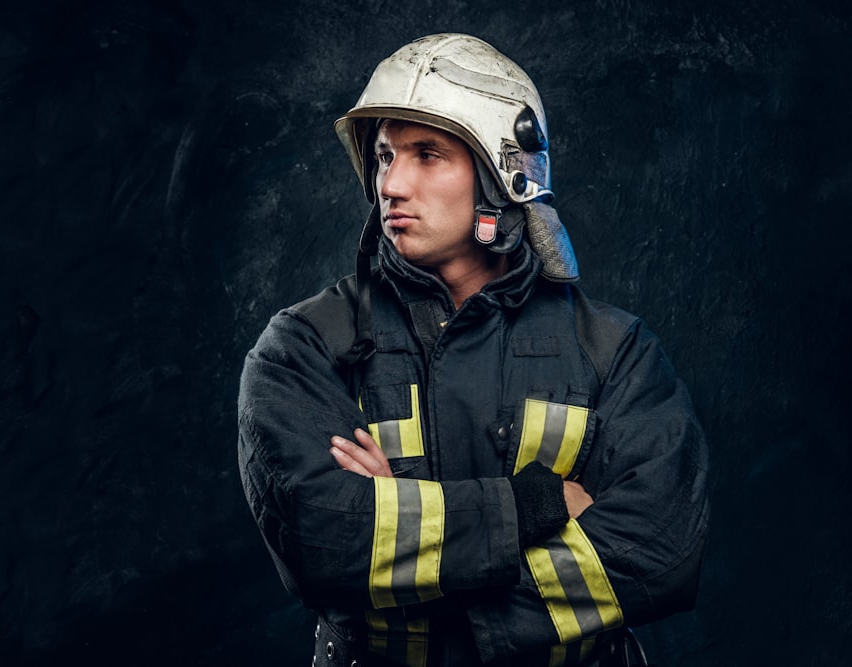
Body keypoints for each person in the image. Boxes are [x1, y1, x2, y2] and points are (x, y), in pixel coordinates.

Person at [237, 33, 709, 667]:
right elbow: (325, 544)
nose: (392, 184)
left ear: (504, 177)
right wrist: (540, 505)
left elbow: (663, 551)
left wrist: (403, 541)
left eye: (428, 154)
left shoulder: (615, 353)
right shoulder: (303, 348)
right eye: (383, 156)